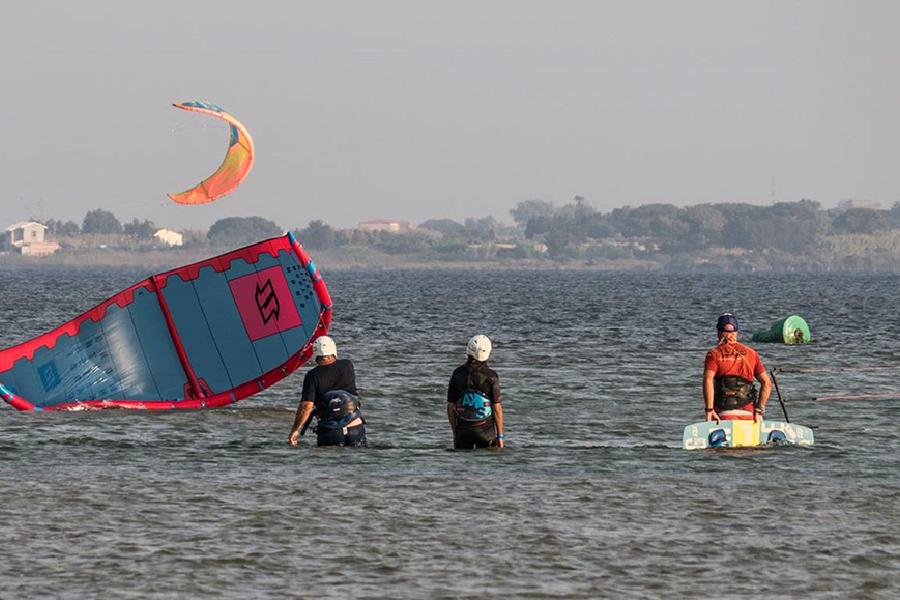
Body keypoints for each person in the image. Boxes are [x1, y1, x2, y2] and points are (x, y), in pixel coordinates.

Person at [288, 336, 366, 447]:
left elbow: (306, 406)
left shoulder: (312, 376)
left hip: (329, 432)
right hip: (355, 428)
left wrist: (295, 430)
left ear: (315, 354)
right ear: (334, 350)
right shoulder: (348, 365)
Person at [703, 313, 772, 422]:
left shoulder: (714, 354)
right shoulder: (751, 354)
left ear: (718, 332)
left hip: (723, 415)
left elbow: (708, 380)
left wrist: (709, 410)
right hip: (749, 415)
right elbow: (767, 383)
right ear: (736, 333)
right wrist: (759, 410)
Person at [447, 334, 505, 449]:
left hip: (463, 433)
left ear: (468, 351)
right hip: (486, 433)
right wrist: (500, 437)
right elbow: (497, 408)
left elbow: (450, 406)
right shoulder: (491, 376)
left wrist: (455, 433)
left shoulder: (457, 373)